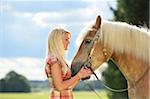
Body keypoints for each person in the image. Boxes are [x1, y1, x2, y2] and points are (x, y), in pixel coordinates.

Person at [45, 27, 92, 99]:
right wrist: (79, 75)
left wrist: (81, 75)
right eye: (66, 40)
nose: (69, 42)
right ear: (58, 41)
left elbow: (68, 87)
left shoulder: (60, 61)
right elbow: (60, 86)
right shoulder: (54, 61)